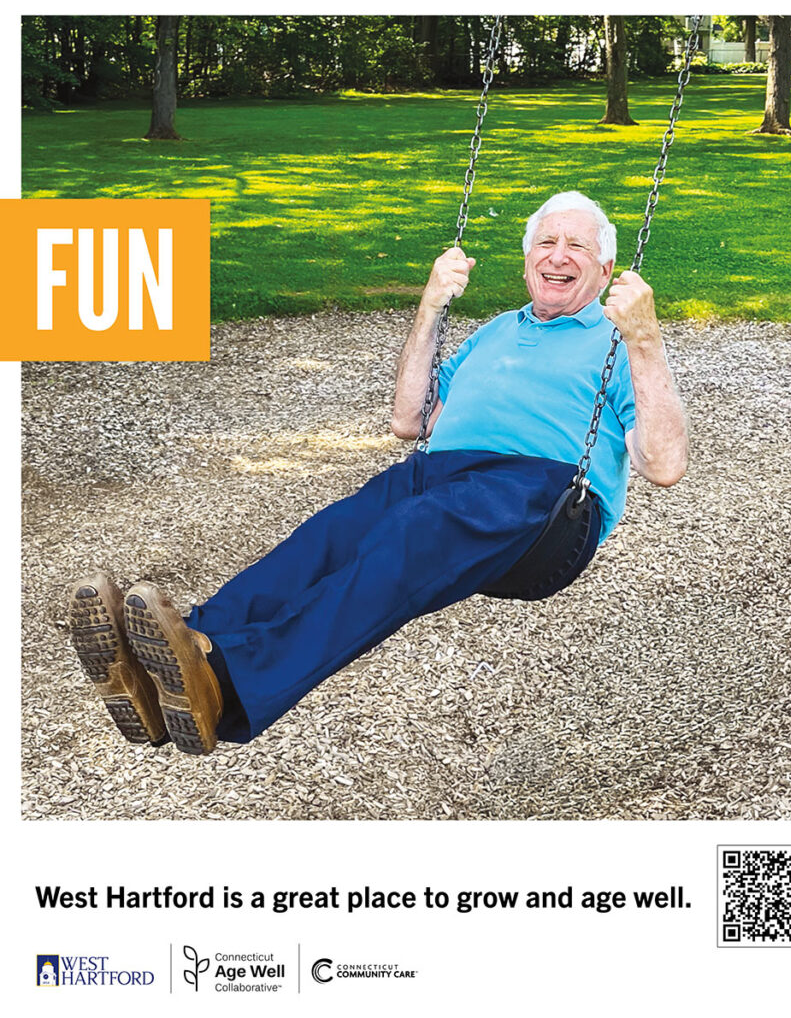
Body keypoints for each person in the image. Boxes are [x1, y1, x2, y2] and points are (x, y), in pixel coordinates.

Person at [69, 191, 688, 756]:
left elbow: (664, 465)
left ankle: (225, 685)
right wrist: (430, 306)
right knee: (326, 538)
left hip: (540, 497)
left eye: (577, 246)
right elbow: (408, 419)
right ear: (527, 260)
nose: (557, 256)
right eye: (546, 243)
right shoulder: (496, 332)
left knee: (407, 535)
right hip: (438, 471)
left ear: (606, 270)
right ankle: (178, 654)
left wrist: (645, 340)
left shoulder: (615, 341)